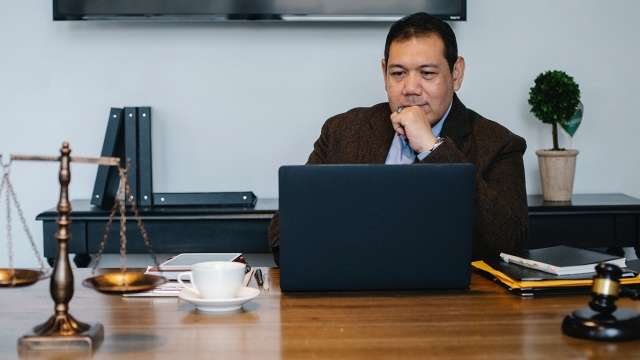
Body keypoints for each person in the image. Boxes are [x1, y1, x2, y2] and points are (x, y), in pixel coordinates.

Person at [268, 12, 528, 264]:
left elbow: (509, 243)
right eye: (398, 73)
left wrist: (432, 148)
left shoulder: (499, 144)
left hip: (450, 302)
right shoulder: (342, 130)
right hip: (354, 292)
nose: (411, 89)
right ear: (384, 73)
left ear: (456, 73)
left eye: (427, 73)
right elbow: (284, 233)